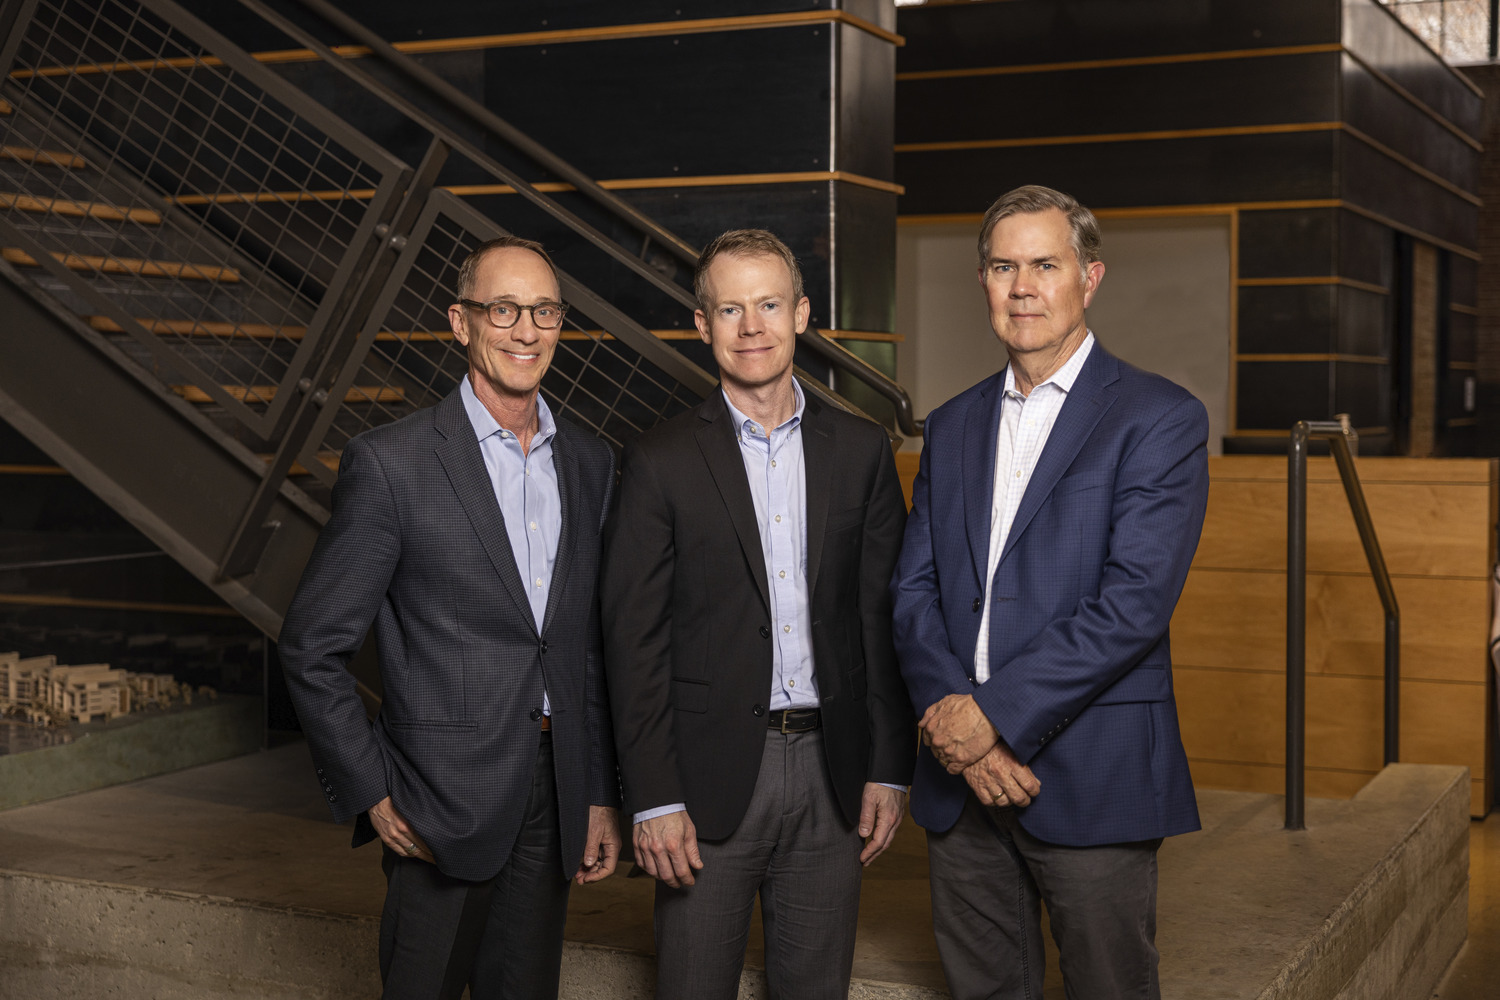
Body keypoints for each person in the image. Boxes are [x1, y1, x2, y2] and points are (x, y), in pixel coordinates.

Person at [279, 235, 621, 999]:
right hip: (437, 800)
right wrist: (370, 788)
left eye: (544, 312)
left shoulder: (590, 464)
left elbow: (584, 648)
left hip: (554, 795)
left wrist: (596, 790)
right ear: (460, 322)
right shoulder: (392, 464)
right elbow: (311, 646)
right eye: (503, 309)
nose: (525, 331)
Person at [891, 185, 1209, 1000]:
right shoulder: (953, 424)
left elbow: (1133, 604)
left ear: (1089, 278)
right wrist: (955, 723)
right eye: (1003, 266)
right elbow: (913, 591)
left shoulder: (1158, 418)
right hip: (959, 784)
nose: (1022, 286)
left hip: (1090, 773)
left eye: (1044, 264)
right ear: (984, 283)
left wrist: (989, 719)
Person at [602, 229, 914, 1000]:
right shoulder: (659, 459)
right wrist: (654, 794)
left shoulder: (862, 450)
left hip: (830, 771)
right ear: (702, 325)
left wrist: (888, 766)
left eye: (769, 304)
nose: (752, 327)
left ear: (802, 313)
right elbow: (631, 641)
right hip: (702, 781)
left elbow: (885, 617)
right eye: (730, 309)